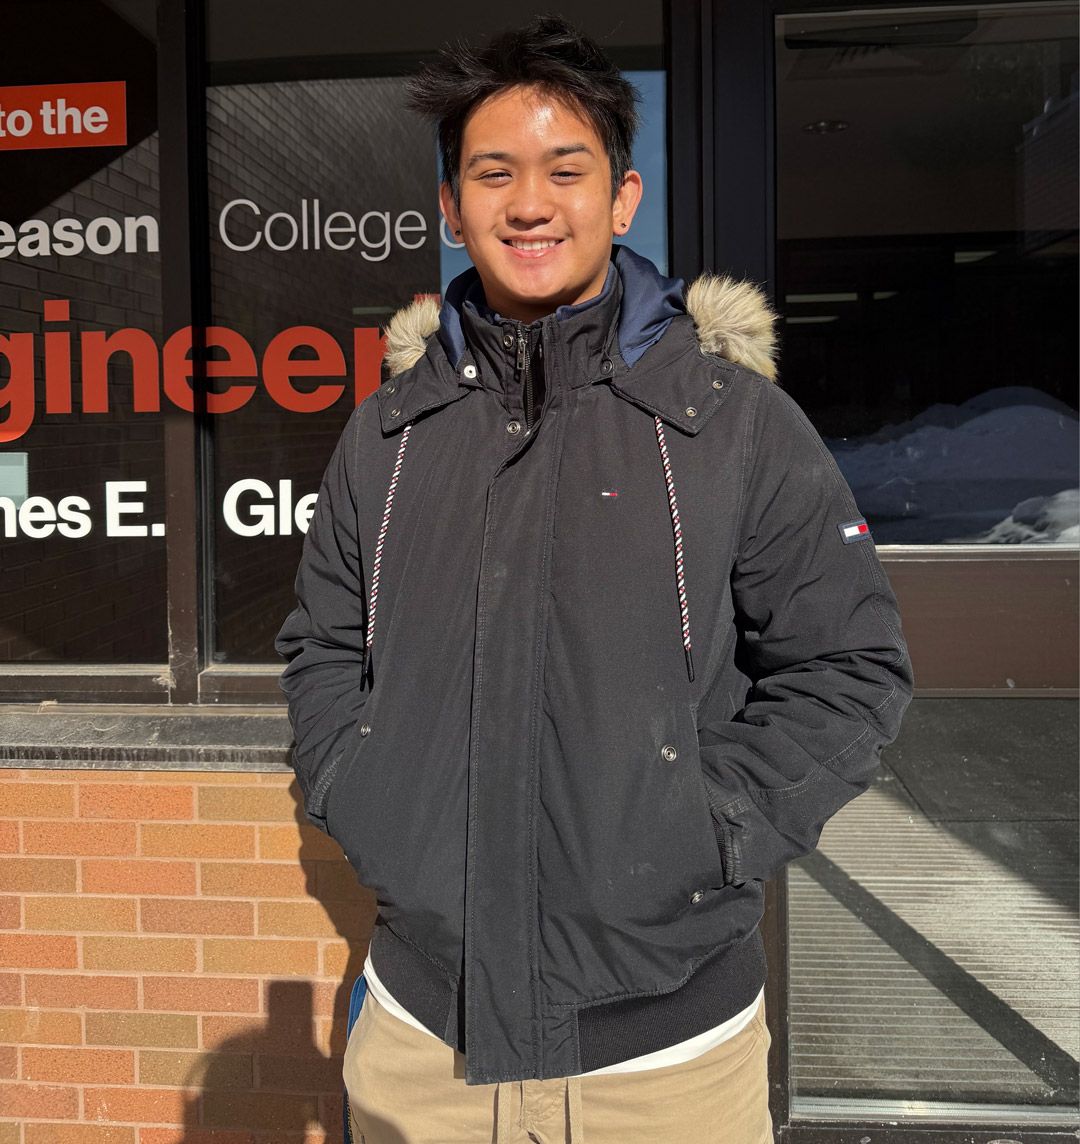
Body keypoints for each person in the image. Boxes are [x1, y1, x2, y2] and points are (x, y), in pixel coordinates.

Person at [275, 16, 913, 1143]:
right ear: (450, 205)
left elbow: (848, 670)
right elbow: (324, 646)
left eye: (565, 170)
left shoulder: (733, 425)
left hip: (668, 1061)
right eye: (494, 172)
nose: (530, 203)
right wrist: (354, 785)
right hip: (426, 1044)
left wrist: (707, 829)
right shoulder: (390, 436)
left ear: (622, 198)